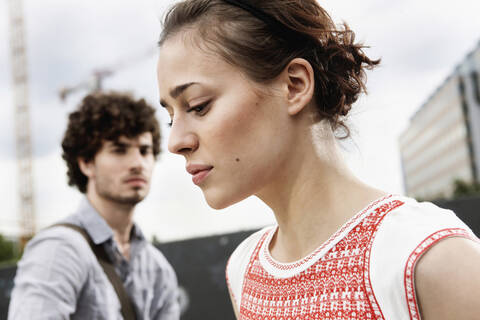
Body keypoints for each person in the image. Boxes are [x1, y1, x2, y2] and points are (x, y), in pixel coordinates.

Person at [156, 0, 480, 319]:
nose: (176, 142)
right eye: (172, 117)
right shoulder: (245, 270)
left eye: (198, 106)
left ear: (295, 85)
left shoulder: (427, 257)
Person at [8, 92, 180, 319]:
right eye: (119, 149)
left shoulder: (157, 267)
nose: (138, 163)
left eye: (144, 150)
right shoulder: (59, 249)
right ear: (87, 163)